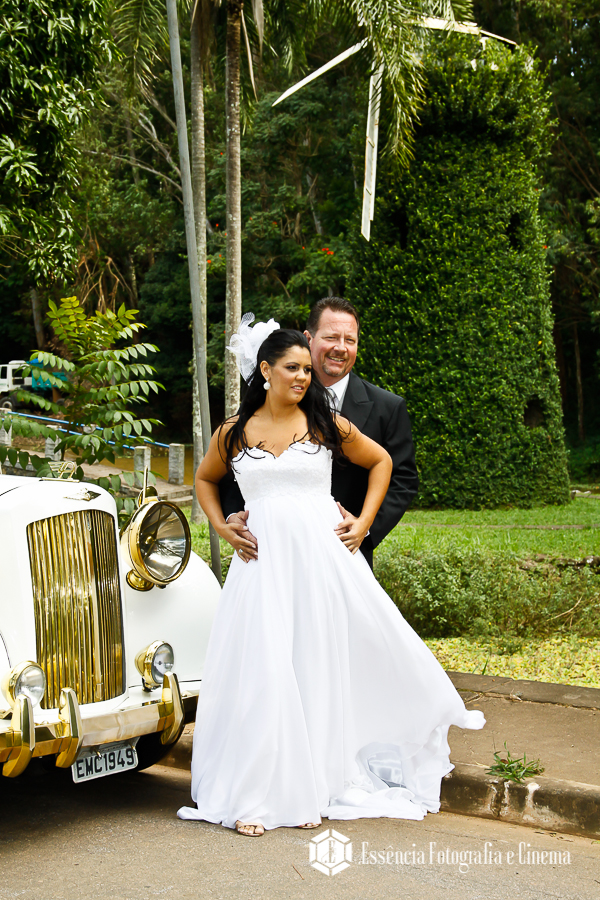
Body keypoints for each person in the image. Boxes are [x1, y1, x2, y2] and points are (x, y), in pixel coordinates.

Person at [177, 316, 484, 836]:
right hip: (262, 568)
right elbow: (205, 480)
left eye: (306, 369)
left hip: (322, 563)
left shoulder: (325, 424)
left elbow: (382, 462)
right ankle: (257, 794)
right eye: (292, 368)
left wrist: (362, 524)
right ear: (265, 370)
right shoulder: (233, 432)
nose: (303, 377)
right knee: (264, 672)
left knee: (315, 666)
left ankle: (315, 782)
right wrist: (224, 528)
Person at [220, 297, 418, 568]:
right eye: (331, 337)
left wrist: (364, 528)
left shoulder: (388, 407)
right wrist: (231, 517)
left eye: (350, 340)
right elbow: (232, 464)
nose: (341, 348)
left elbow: (403, 480)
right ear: (308, 339)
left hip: (346, 553)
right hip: (268, 554)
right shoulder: (267, 399)